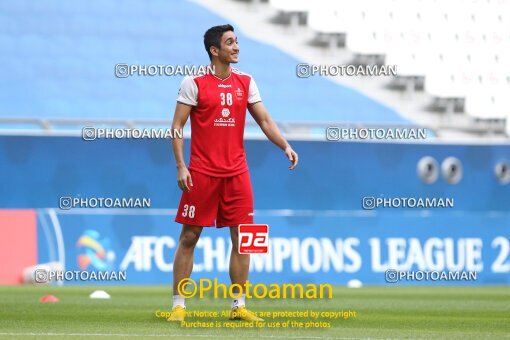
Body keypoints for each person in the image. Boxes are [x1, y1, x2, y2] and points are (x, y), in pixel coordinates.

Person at [168, 24, 298, 322]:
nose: (237, 47)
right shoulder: (194, 83)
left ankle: (239, 307)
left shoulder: (246, 81)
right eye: (230, 42)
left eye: (237, 41)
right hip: (201, 173)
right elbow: (177, 126)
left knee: (245, 238)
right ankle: (178, 306)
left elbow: (264, 120)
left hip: (237, 173)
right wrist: (180, 165)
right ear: (215, 50)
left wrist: (284, 146)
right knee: (189, 237)